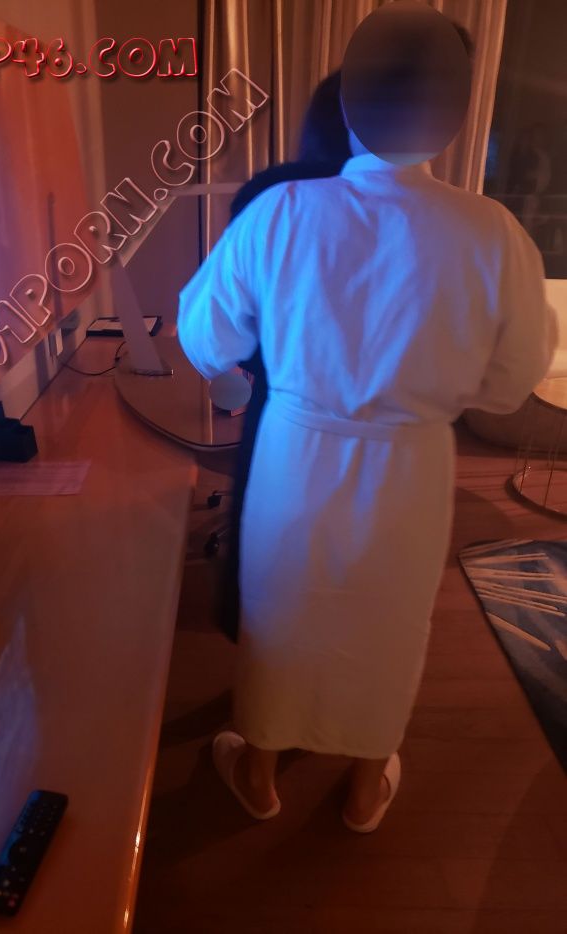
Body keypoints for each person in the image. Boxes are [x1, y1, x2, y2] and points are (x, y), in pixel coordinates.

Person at [177, 9, 556, 832]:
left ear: (348, 101)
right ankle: (363, 783)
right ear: (454, 117)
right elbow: (510, 385)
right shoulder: (494, 234)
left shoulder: (280, 212)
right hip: (413, 465)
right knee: (389, 620)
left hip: (294, 455)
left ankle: (260, 771)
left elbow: (206, 339)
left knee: (283, 609)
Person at [218, 70, 352, 644]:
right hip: (376, 421)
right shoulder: (418, 212)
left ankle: (262, 666)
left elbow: (234, 320)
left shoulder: (269, 195)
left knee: (268, 554)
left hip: (282, 402)